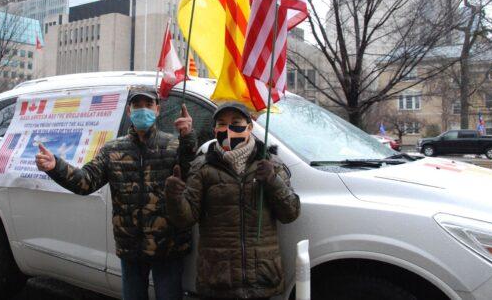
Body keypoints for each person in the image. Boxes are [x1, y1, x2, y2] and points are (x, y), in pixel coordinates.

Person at [36, 88, 197, 300]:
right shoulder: (113, 150)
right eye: (137, 105)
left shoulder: (174, 145)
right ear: (129, 111)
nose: (143, 110)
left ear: (158, 110)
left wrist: (188, 138)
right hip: (131, 248)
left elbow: (190, 176)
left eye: (148, 105)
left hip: (168, 247)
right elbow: (86, 182)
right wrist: (56, 166)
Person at [165, 102, 300, 300]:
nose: (228, 129)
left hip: (261, 278)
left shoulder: (270, 164)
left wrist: (272, 180)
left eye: (236, 122)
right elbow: (185, 219)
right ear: (215, 129)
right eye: (222, 123)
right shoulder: (202, 167)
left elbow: (291, 213)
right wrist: (174, 196)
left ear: (250, 127)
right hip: (219, 278)